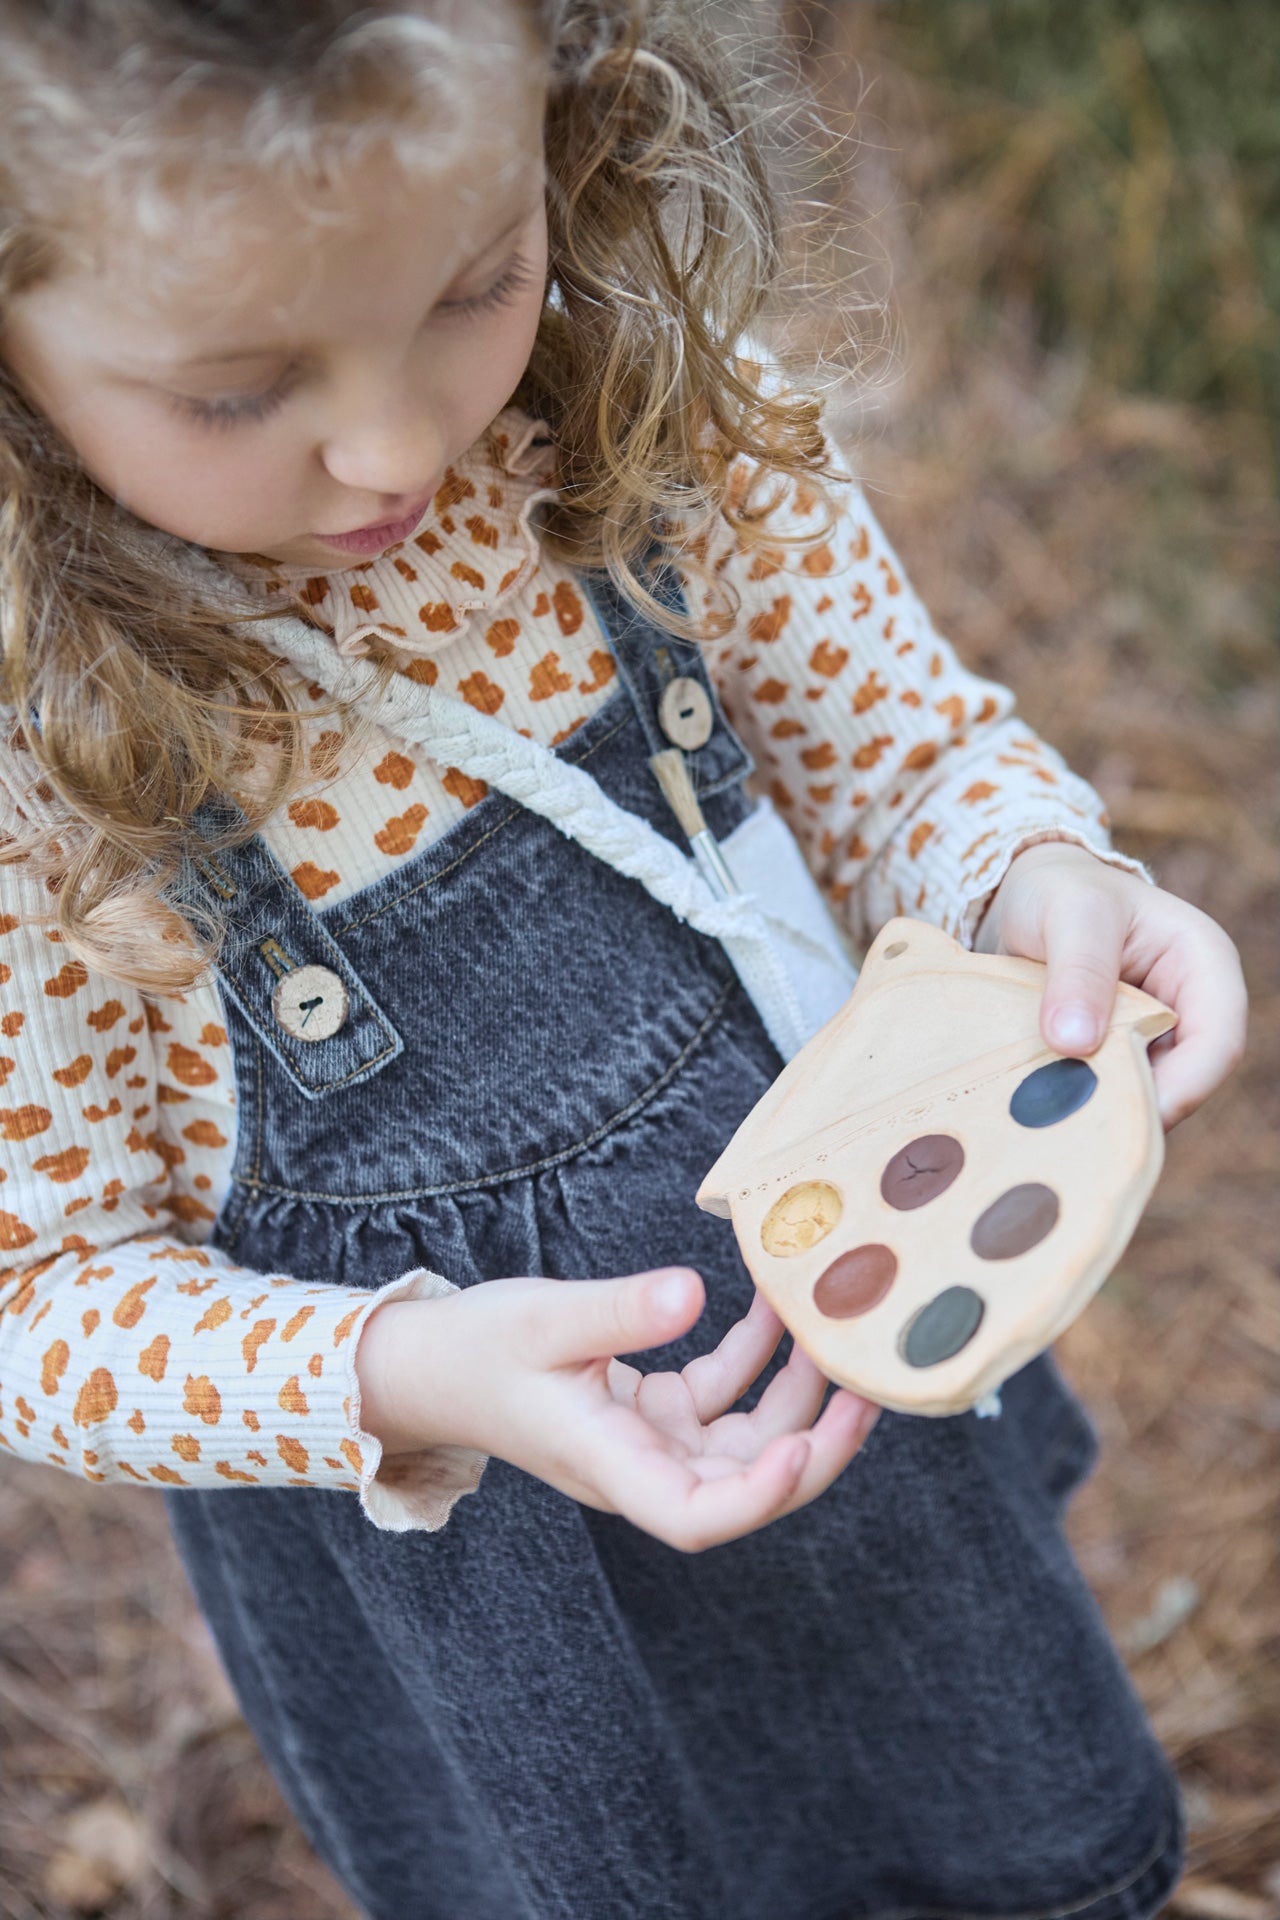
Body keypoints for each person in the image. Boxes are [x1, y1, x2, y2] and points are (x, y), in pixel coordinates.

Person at [0, 3, 1247, 1917]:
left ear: (564, 127)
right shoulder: (38, 769)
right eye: (237, 393)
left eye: (472, 281)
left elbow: (904, 759)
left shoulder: (643, 420)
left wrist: (1030, 874)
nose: (395, 442)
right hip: (495, 1594)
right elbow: (38, 1296)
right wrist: (400, 1368)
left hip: (842, 1396)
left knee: (966, 1815)